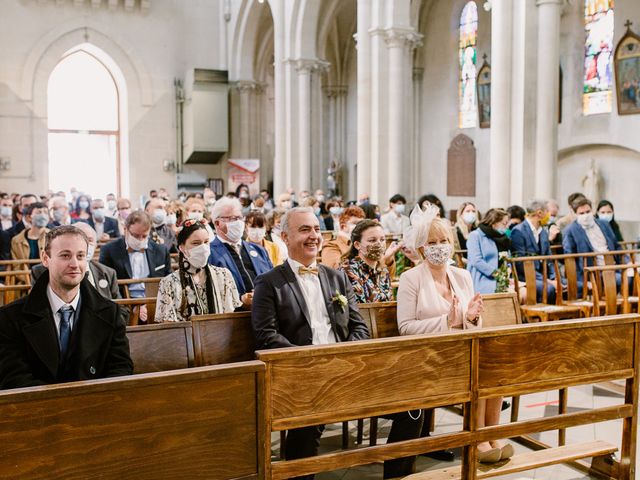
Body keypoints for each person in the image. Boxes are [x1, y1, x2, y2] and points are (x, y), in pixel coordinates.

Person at [251, 207, 422, 479]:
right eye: (304, 230)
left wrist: (345, 357)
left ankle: (396, 475)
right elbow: (266, 336)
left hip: (347, 368)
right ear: (284, 236)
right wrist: (313, 360)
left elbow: (358, 326)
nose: (314, 236)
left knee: (413, 408)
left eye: (317, 229)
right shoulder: (269, 283)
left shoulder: (336, 278)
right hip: (303, 373)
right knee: (307, 422)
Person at [397, 205, 511, 463]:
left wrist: (472, 317)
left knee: (495, 369)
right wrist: (445, 321)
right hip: (428, 355)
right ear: (422, 248)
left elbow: (472, 321)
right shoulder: (411, 278)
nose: (439, 247)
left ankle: (492, 434)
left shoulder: (462, 275)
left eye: (444, 241)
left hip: (462, 348)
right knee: (479, 370)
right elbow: (405, 328)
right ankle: (478, 439)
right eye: (432, 242)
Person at [0, 225, 132, 389]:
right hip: (38, 409)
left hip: (96, 407)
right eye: (65, 255)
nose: (74, 264)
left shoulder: (110, 313)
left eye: (80, 256)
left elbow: (121, 368)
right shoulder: (11, 317)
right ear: (45, 258)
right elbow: (13, 377)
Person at [155, 219, 246, 322]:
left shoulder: (224, 275)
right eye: (196, 243)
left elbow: (230, 318)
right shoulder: (169, 283)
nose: (203, 248)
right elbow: (168, 327)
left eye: (206, 242)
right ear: (182, 248)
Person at [99, 210, 172, 313]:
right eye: (135, 235)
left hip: (155, 302)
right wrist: (130, 306)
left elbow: (168, 279)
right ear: (125, 230)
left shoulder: (160, 250)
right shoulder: (109, 250)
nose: (140, 240)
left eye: (144, 236)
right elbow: (105, 284)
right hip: (123, 303)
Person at [31, 222, 121, 300]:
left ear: (96, 244)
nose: (85, 245)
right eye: (66, 255)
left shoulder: (108, 273)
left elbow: (121, 309)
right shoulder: (41, 271)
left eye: (89, 240)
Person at [208, 197, 272, 300]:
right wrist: (240, 299)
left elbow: (272, 280)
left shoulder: (259, 250)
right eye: (232, 219)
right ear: (217, 223)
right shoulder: (210, 252)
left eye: (239, 218)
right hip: (234, 313)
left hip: (265, 308)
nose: (237, 222)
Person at [562, 197, 621, 293]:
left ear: (592, 210)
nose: (585, 215)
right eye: (581, 213)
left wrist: (628, 263)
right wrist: (580, 281)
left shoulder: (604, 224)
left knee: (633, 276)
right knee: (621, 279)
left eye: (587, 211)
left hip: (614, 266)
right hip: (592, 272)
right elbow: (569, 257)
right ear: (575, 214)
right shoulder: (570, 231)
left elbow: (617, 245)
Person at [510, 199, 558, 303]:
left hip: (543, 276)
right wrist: (546, 280)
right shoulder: (518, 231)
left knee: (572, 284)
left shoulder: (543, 231)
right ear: (539, 213)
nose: (548, 215)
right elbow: (520, 264)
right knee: (549, 289)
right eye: (547, 211)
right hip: (527, 277)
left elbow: (549, 258)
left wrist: (554, 277)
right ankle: (543, 317)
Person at [339, 220, 392, 303]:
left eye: (382, 240)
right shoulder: (348, 270)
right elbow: (360, 306)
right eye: (372, 240)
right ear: (357, 245)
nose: (379, 244)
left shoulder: (383, 270)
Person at [466, 209, 511, 294]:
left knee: (523, 292)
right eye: (504, 224)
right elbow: (476, 261)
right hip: (482, 278)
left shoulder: (504, 238)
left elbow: (508, 258)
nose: (507, 227)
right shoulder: (476, 235)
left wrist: (508, 269)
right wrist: (496, 274)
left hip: (503, 279)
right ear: (494, 222)